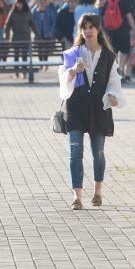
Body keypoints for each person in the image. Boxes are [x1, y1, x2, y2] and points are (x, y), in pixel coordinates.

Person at [58, 13, 123, 210]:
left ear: (98, 29)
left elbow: (114, 81)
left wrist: (112, 95)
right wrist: (73, 71)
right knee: (75, 152)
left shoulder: (109, 56)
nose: (87, 31)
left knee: (98, 153)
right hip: (75, 107)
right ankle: (77, 197)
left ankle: (97, 191)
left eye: (91, 27)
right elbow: (63, 81)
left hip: (98, 109)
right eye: (84, 28)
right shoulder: (72, 54)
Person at [105, 0, 135, 84]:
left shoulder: (107, 2)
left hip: (110, 32)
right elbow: (129, 17)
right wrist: (134, 30)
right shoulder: (123, 1)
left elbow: (103, 17)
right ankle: (120, 68)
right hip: (123, 31)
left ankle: (115, 71)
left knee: (113, 52)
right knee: (125, 52)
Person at [5, 0, 38, 78]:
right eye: (17, 3)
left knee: (24, 56)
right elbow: (7, 25)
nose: (19, 5)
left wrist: (37, 35)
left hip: (26, 37)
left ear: (23, 4)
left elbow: (32, 24)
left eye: (20, 3)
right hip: (16, 37)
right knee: (16, 56)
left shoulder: (27, 13)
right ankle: (16, 72)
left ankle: (24, 72)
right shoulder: (13, 13)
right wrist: (7, 37)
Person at [32, 0, 57, 65]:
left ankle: (45, 62)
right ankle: (41, 62)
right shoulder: (35, 11)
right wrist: (34, 31)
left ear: (46, 3)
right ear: (38, 4)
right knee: (39, 49)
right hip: (38, 33)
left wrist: (51, 32)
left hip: (47, 33)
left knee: (46, 49)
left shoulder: (49, 11)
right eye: (41, 3)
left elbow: (53, 22)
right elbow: (31, 22)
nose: (42, 4)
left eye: (44, 3)